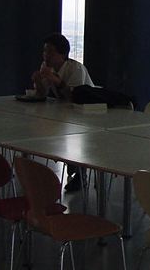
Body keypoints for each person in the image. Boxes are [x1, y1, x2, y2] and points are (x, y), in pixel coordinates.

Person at [31, 33, 94, 192]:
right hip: (66, 112)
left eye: (51, 52)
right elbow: (42, 94)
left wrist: (56, 80)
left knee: (75, 139)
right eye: (44, 51)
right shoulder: (46, 67)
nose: (46, 56)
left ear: (63, 54)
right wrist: (38, 81)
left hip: (87, 113)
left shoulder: (75, 69)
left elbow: (75, 96)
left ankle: (79, 172)